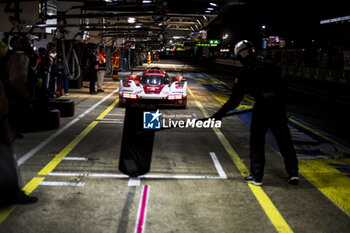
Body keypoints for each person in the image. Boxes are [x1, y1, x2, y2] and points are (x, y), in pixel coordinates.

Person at [212, 40, 299, 186]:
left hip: (262, 108)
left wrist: (219, 114)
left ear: (241, 56)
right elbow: (286, 84)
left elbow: (235, 100)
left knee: (257, 142)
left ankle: (257, 176)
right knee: (284, 140)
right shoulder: (271, 66)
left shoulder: (245, 72)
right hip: (278, 106)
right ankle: (293, 174)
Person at [0, 38, 38, 206]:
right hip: (2, 117)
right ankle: (11, 193)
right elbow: (17, 80)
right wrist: (27, 99)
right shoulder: (19, 58)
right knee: (5, 155)